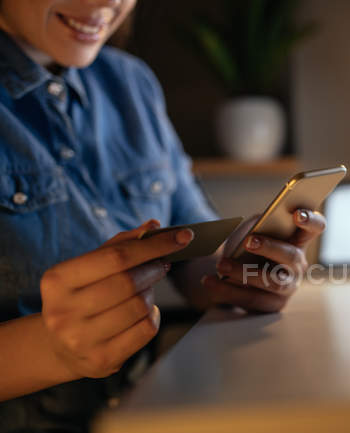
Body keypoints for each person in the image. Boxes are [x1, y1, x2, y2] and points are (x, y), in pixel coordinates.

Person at [0, 1, 326, 431]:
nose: (107, 3)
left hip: (150, 408)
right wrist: (52, 350)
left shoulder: (132, 83)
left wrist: (239, 272)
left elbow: (193, 255)